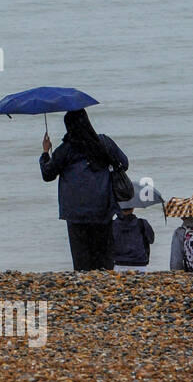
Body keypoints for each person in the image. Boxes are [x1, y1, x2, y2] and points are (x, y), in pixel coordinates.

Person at [39, 108, 129, 271]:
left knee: (81, 260)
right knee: (104, 256)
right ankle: (104, 285)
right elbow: (124, 163)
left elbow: (47, 174)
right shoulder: (104, 142)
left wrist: (46, 152)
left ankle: (85, 286)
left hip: (76, 211)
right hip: (103, 207)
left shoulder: (65, 149)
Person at [111, 206, 154, 272]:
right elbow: (151, 240)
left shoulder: (112, 225)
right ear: (133, 208)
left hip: (118, 263)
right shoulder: (142, 223)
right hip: (140, 264)